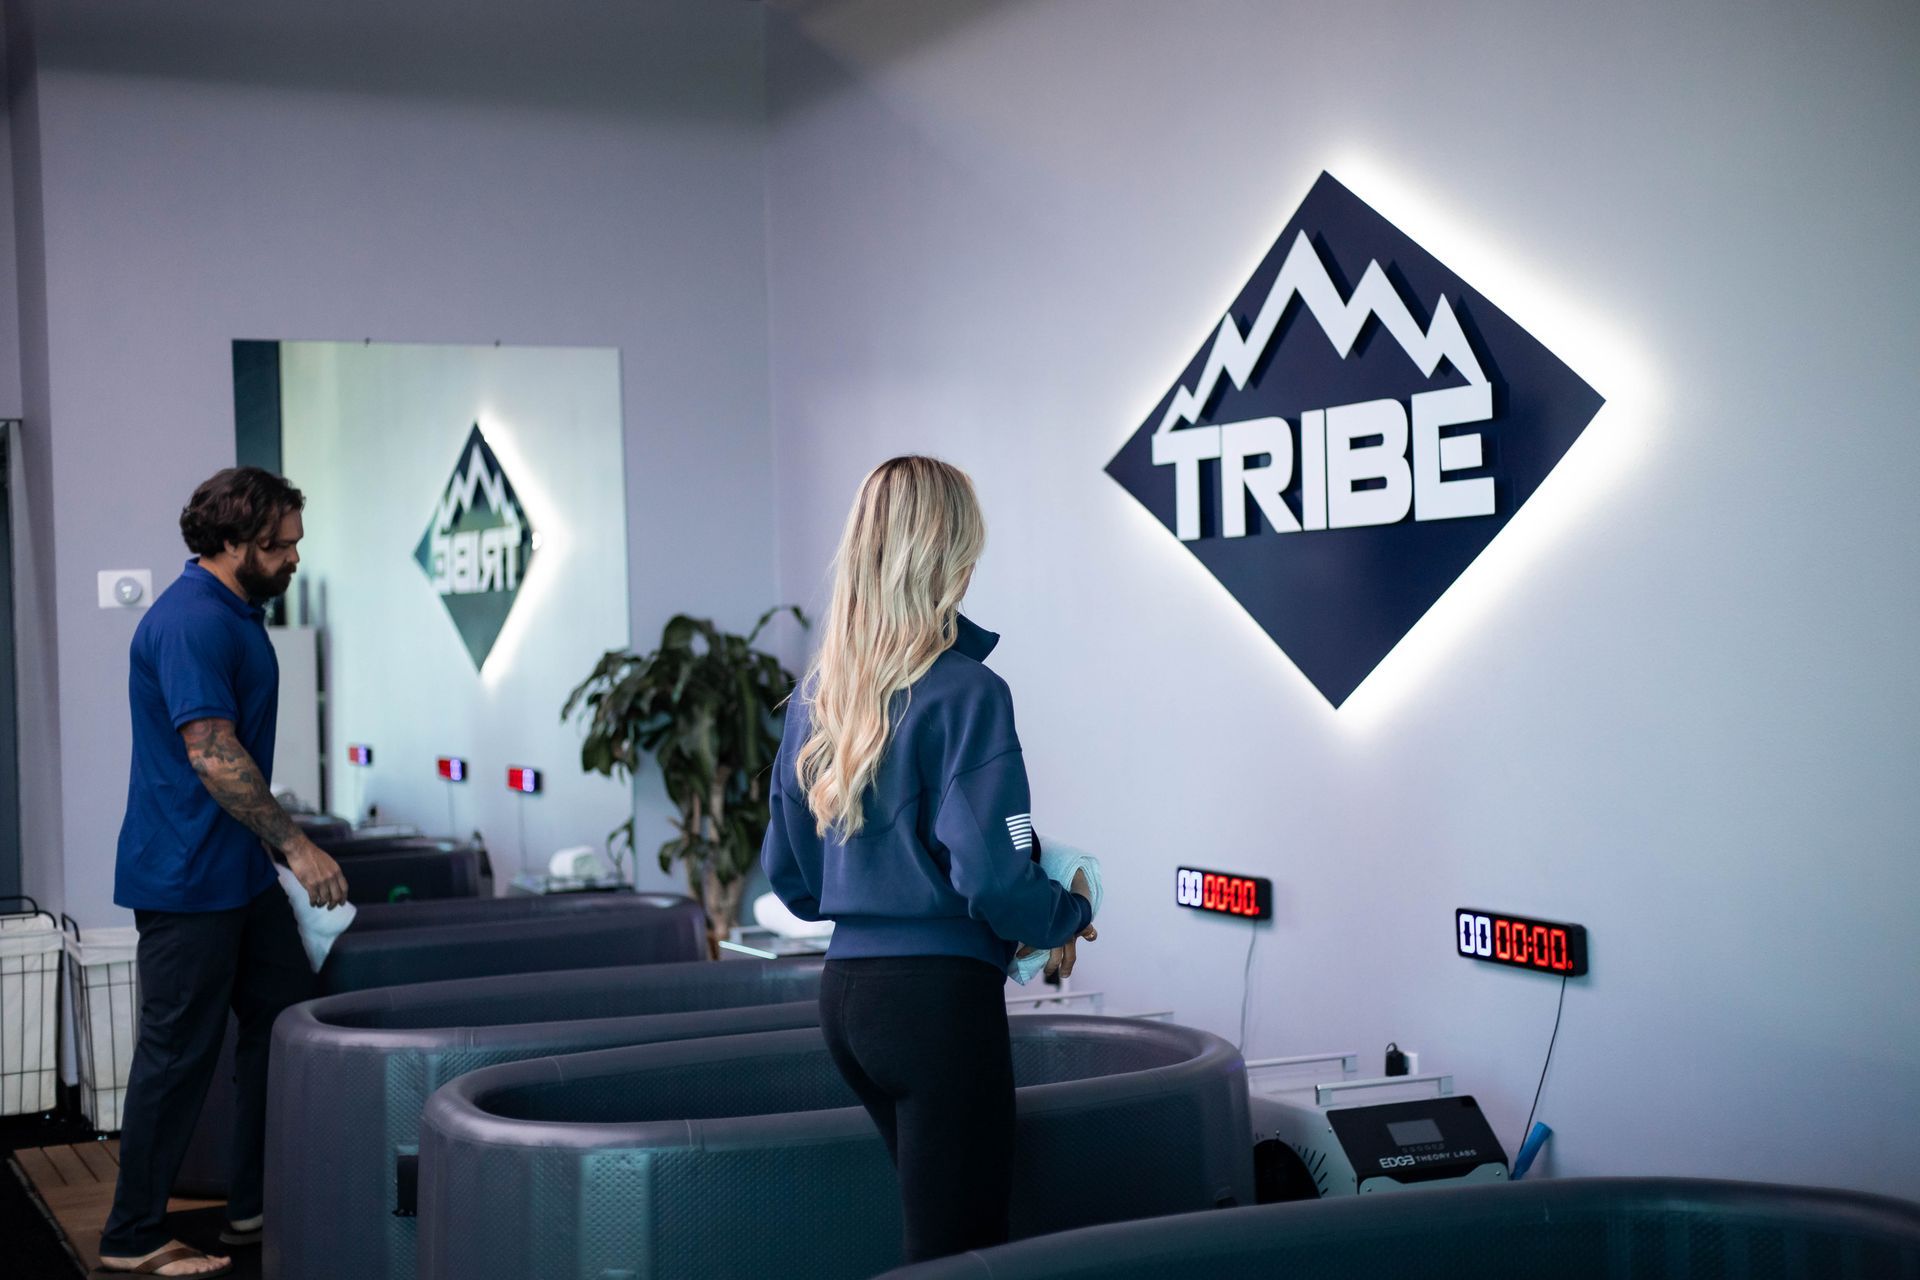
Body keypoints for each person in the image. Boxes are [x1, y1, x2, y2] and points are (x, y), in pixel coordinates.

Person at [761, 455, 1098, 1264]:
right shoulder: (969, 693)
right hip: (935, 1007)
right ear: (948, 555)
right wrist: (1068, 910)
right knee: (961, 1254)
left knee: (936, 1242)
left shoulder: (821, 698)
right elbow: (991, 876)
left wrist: (874, 880)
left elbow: (793, 878)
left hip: (847, 1000)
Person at [97, 468, 348, 1279]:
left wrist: (271, 854)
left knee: (283, 1026)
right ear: (236, 541)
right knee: (176, 1056)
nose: (295, 558)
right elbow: (211, 751)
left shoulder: (235, 613)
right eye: (282, 545)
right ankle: (132, 1235)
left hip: (237, 876)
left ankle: (253, 1202)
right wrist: (297, 847)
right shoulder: (189, 621)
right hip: (185, 879)